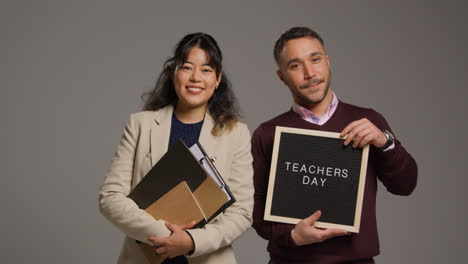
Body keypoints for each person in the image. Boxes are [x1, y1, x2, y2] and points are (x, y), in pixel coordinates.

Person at [251, 27, 418, 263]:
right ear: (282, 76)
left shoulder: (368, 122)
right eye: (295, 65)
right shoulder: (267, 134)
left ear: (327, 62)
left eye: (315, 59)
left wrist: (385, 141)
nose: (310, 73)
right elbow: (256, 212)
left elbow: (406, 184)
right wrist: (291, 236)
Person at [99, 32, 253, 264]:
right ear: (173, 73)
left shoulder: (236, 133)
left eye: (206, 70)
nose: (196, 78)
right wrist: (164, 235)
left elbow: (241, 212)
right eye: (187, 67)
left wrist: (192, 241)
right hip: (144, 256)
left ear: (218, 78)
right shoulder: (140, 124)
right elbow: (110, 197)